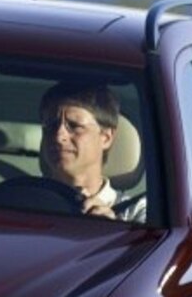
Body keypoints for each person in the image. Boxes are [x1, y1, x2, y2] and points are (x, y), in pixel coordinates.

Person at [38, 80, 146, 221]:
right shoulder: (21, 201)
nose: (59, 136)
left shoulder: (138, 215)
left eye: (74, 126)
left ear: (106, 137)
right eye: (50, 126)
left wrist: (112, 230)